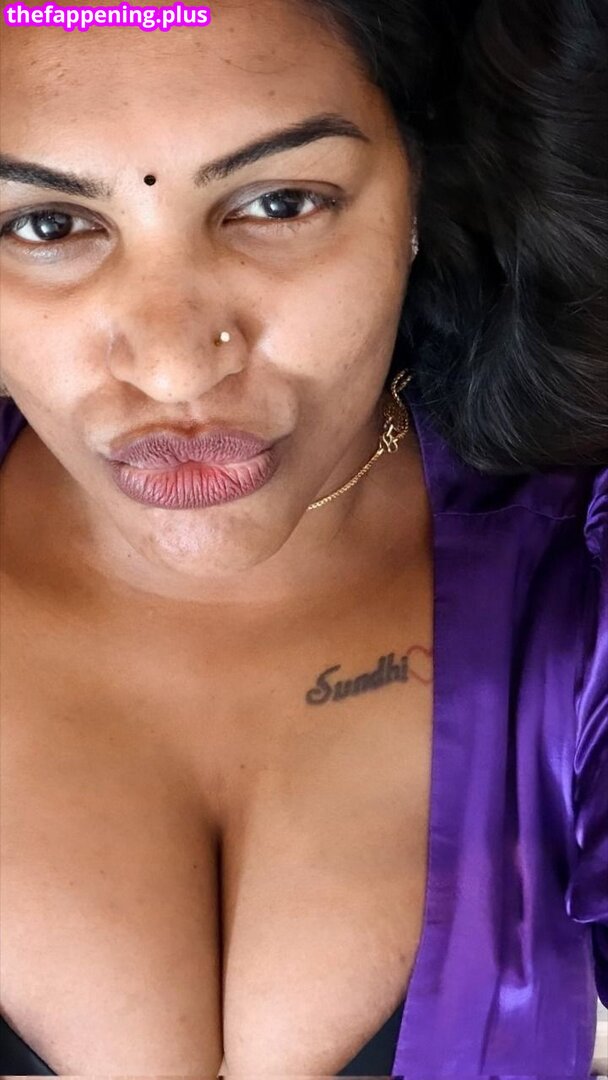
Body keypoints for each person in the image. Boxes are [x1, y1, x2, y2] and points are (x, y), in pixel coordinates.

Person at [0, 0, 606, 1075]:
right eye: (48, 226)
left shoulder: (582, 585)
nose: (176, 367)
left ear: (422, 189)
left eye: (279, 203)